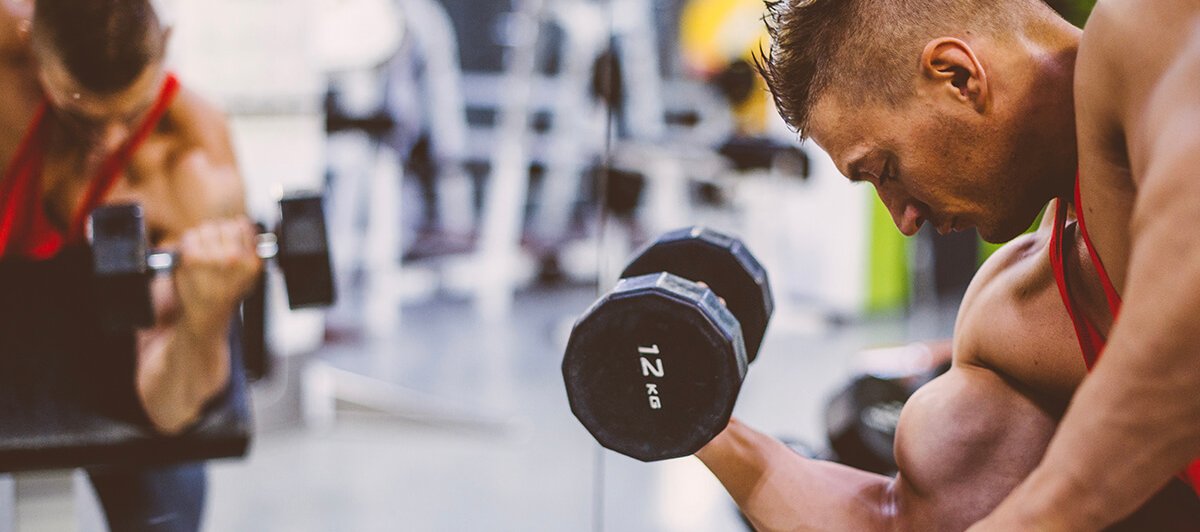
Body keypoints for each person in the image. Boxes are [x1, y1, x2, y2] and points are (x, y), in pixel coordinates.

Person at [694, 0, 1200, 528]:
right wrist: (701, 423)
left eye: (885, 170)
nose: (904, 220)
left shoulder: (1151, 26)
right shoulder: (1018, 314)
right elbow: (900, 521)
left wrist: (1042, 518)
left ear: (958, 76)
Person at [0, 0, 259, 529]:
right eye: (81, 111)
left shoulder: (191, 159)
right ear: (30, 42)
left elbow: (169, 407)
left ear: (166, 43)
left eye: (132, 113)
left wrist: (203, 319)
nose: (113, 140)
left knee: (164, 503)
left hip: (109, 341)